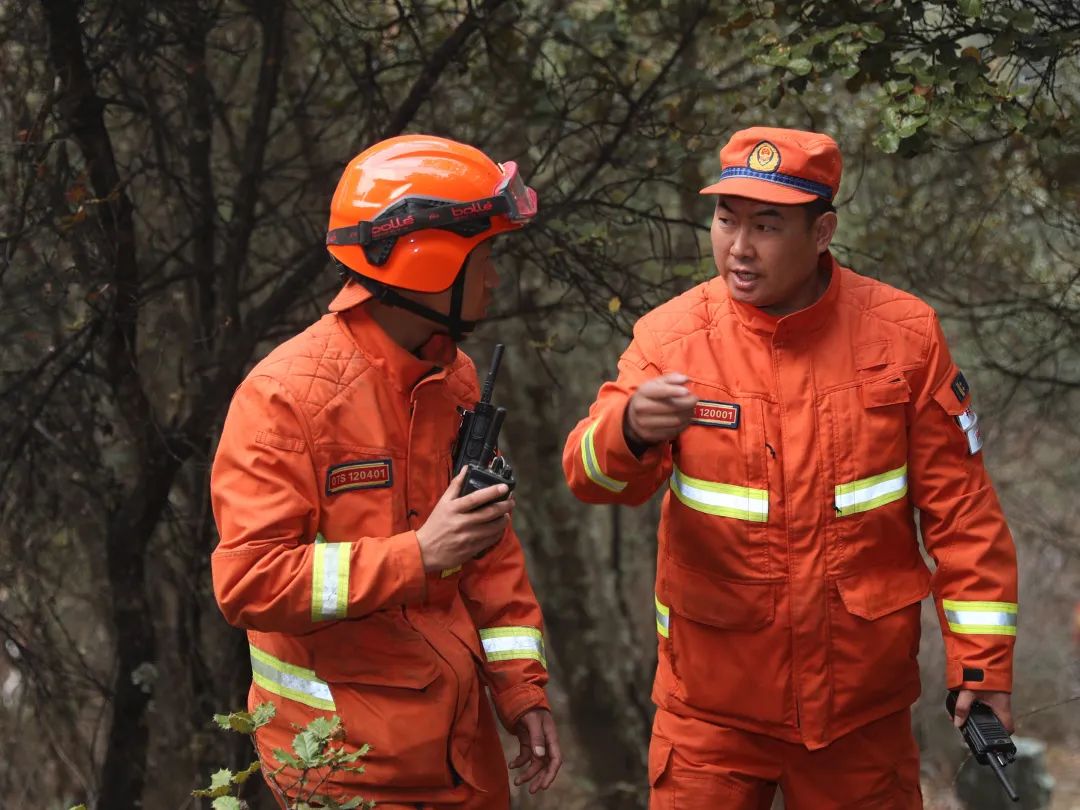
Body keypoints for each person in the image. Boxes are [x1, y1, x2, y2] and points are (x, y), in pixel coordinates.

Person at [562, 126, 1018, 809]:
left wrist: (983, 665)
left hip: (859, 718)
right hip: (709, 715)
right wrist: (628, 430)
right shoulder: (671, 339)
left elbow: (963, 517)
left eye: (767, 226)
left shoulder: (904, 338)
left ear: (822, 231)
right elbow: (587, 476)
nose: (739, 247)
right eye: (726, 220)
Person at [211, 134, 561, 809]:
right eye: (484, 259)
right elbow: (249, 581)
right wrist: (416, 556)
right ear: (429, 264)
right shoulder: (286, 398)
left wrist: (522, 690)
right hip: (346, 768)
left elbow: (487, 552)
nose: (493, 280)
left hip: (464, 757)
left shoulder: (453, 378)